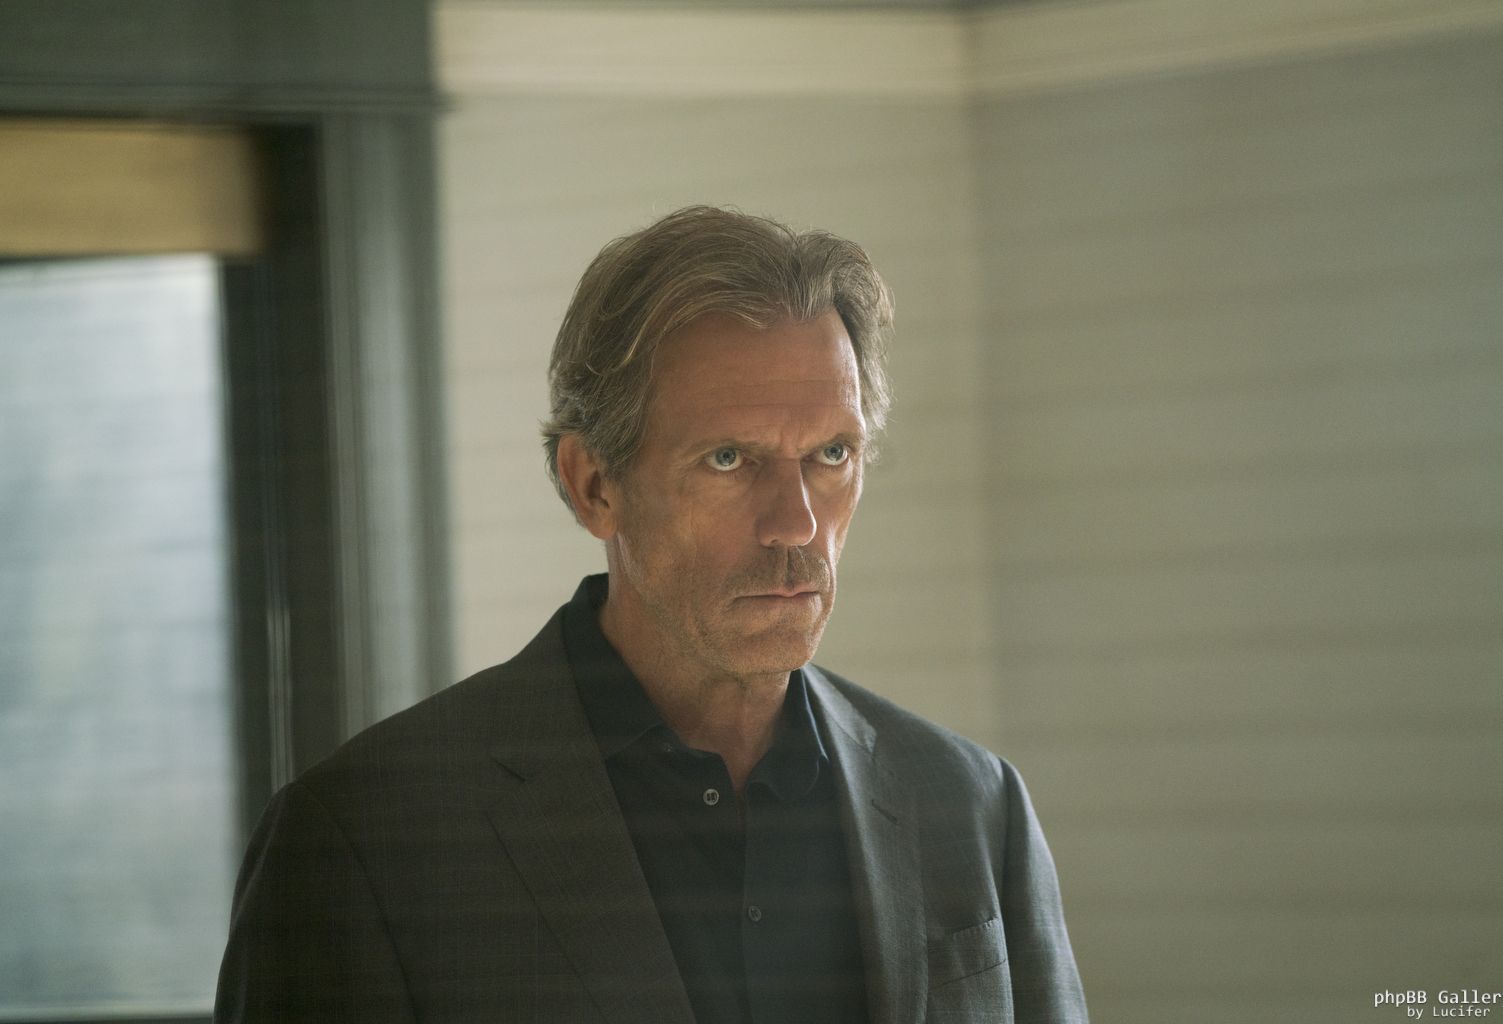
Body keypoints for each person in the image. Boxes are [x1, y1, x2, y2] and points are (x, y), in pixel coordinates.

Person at [214, 206, 1088, 1023]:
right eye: (727, 458)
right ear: (593, 484)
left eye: (831, 453)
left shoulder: (970, 805)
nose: (797, 525)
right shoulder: (365, 839)